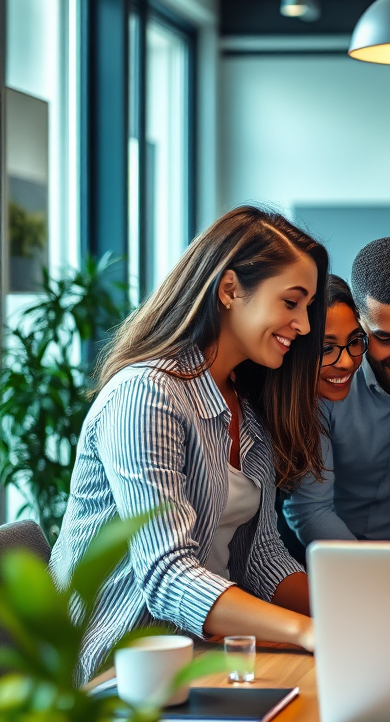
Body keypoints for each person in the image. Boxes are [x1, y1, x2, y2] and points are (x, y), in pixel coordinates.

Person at [50, 207, 328, 683]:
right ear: (229, 289)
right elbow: (167, 575)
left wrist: (350, 613)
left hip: (200, 657)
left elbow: (261, 556)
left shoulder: (243, 403)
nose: (303, 325)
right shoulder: (147, 395)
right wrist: (309, 633)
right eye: (291, 302)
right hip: (120, 672)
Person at [284, 236, 390, 544]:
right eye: (386, 339)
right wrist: (370, 574)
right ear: (358, 318)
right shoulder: (328, 375)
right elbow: (310, 508)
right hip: (342, 558)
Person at [276, 273, 366, 566]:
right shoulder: (266, 406)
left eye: (354, 341)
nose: (347, 361)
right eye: (326, 348)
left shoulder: (316, 401)